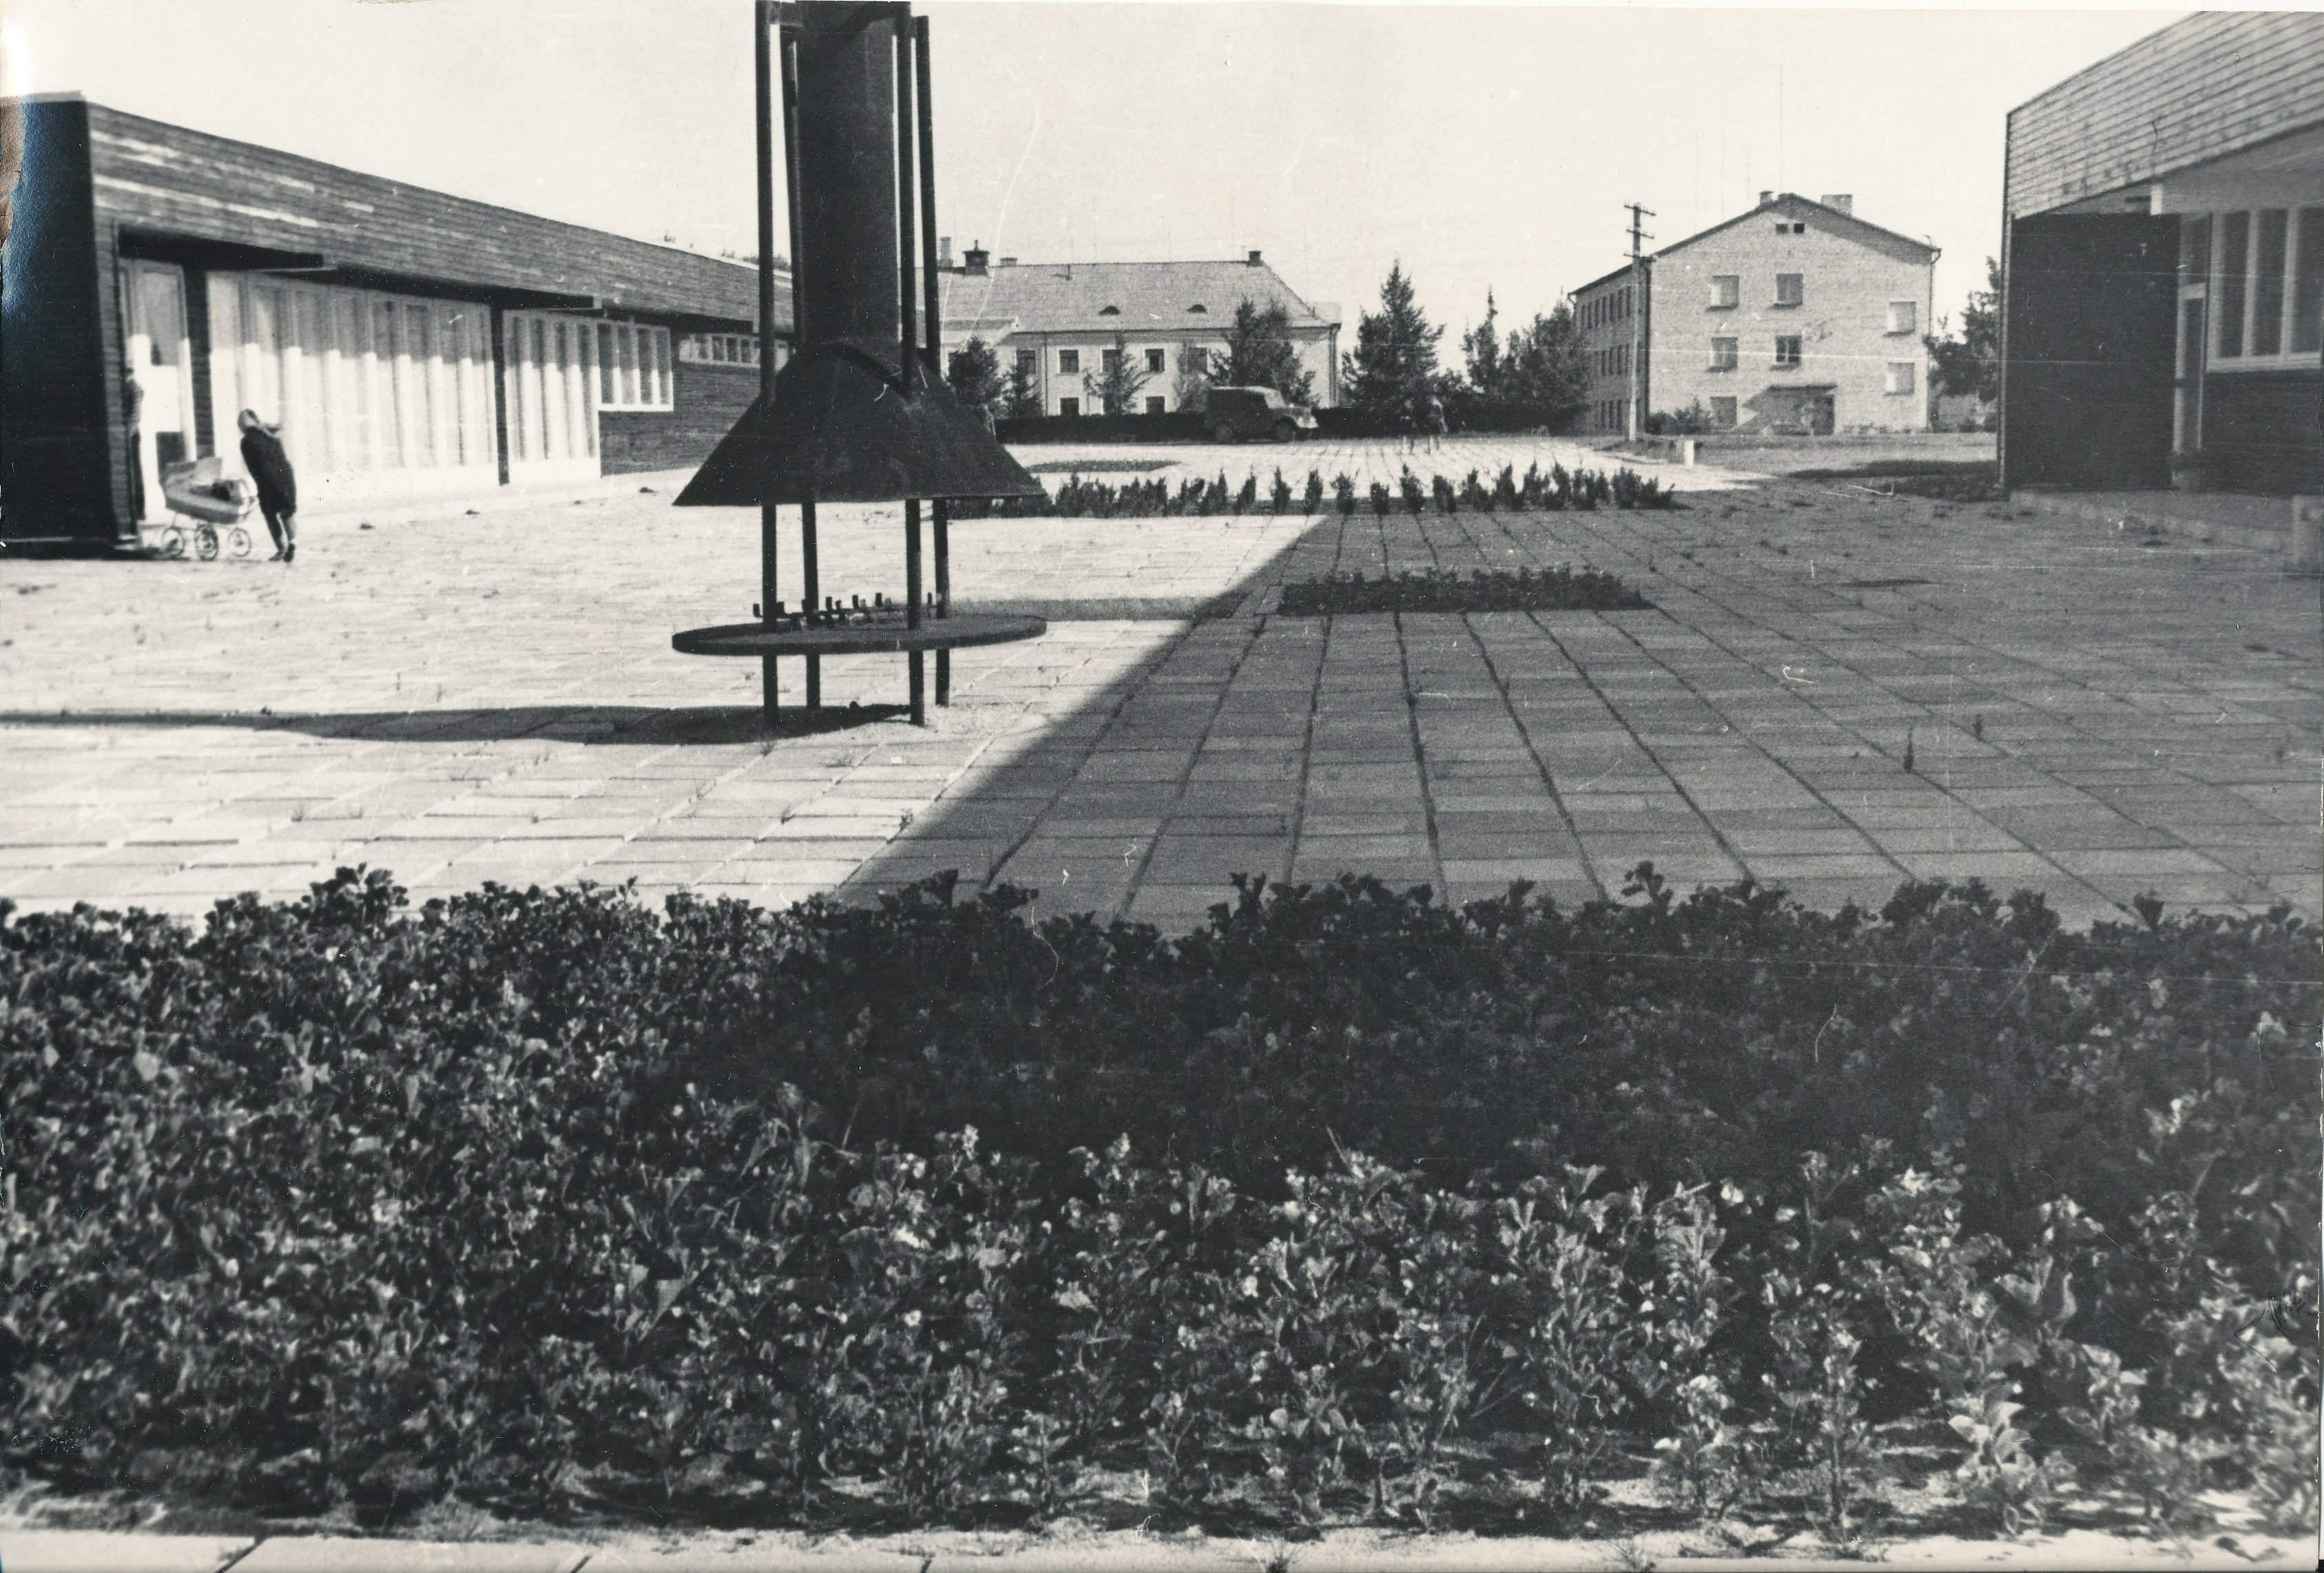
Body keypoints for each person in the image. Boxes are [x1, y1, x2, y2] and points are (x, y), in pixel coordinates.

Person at [237, 409, 297, 563]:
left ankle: (281, 549)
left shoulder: (246, 441)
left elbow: (252, 468)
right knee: (287, 511)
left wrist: (260, 484)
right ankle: (292, 542)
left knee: (270, 515)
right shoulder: (272, 435)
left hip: (268, 479)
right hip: (287, 475)